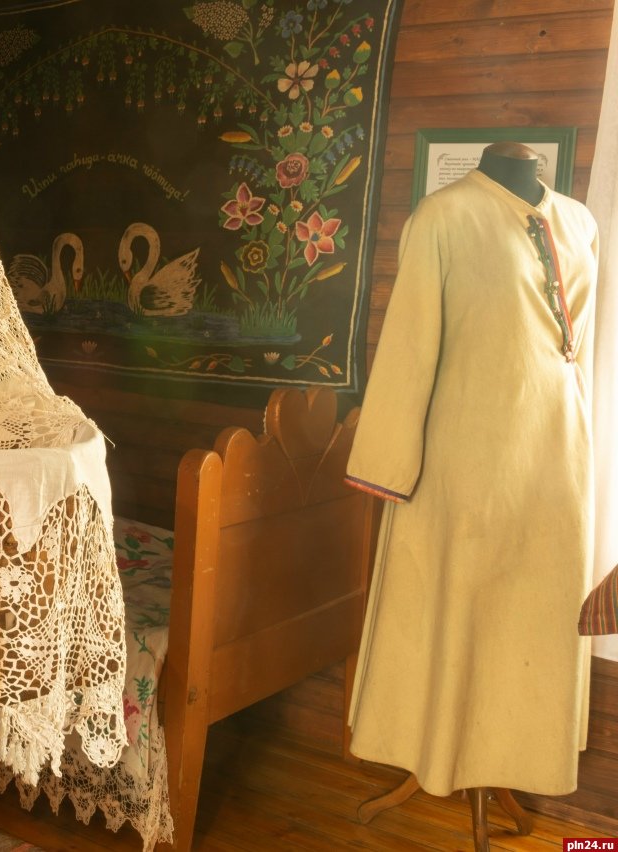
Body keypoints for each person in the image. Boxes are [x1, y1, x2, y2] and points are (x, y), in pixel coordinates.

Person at [344, 142, 598, 798]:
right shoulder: (444, 216)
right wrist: (388, 463)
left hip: (558, 461)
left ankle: (516, 761)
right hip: (466, 460)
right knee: (456, 610)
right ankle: (443, 755)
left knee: (536, 617)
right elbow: (409, 346)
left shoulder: (581, 222)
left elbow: (581, 351)